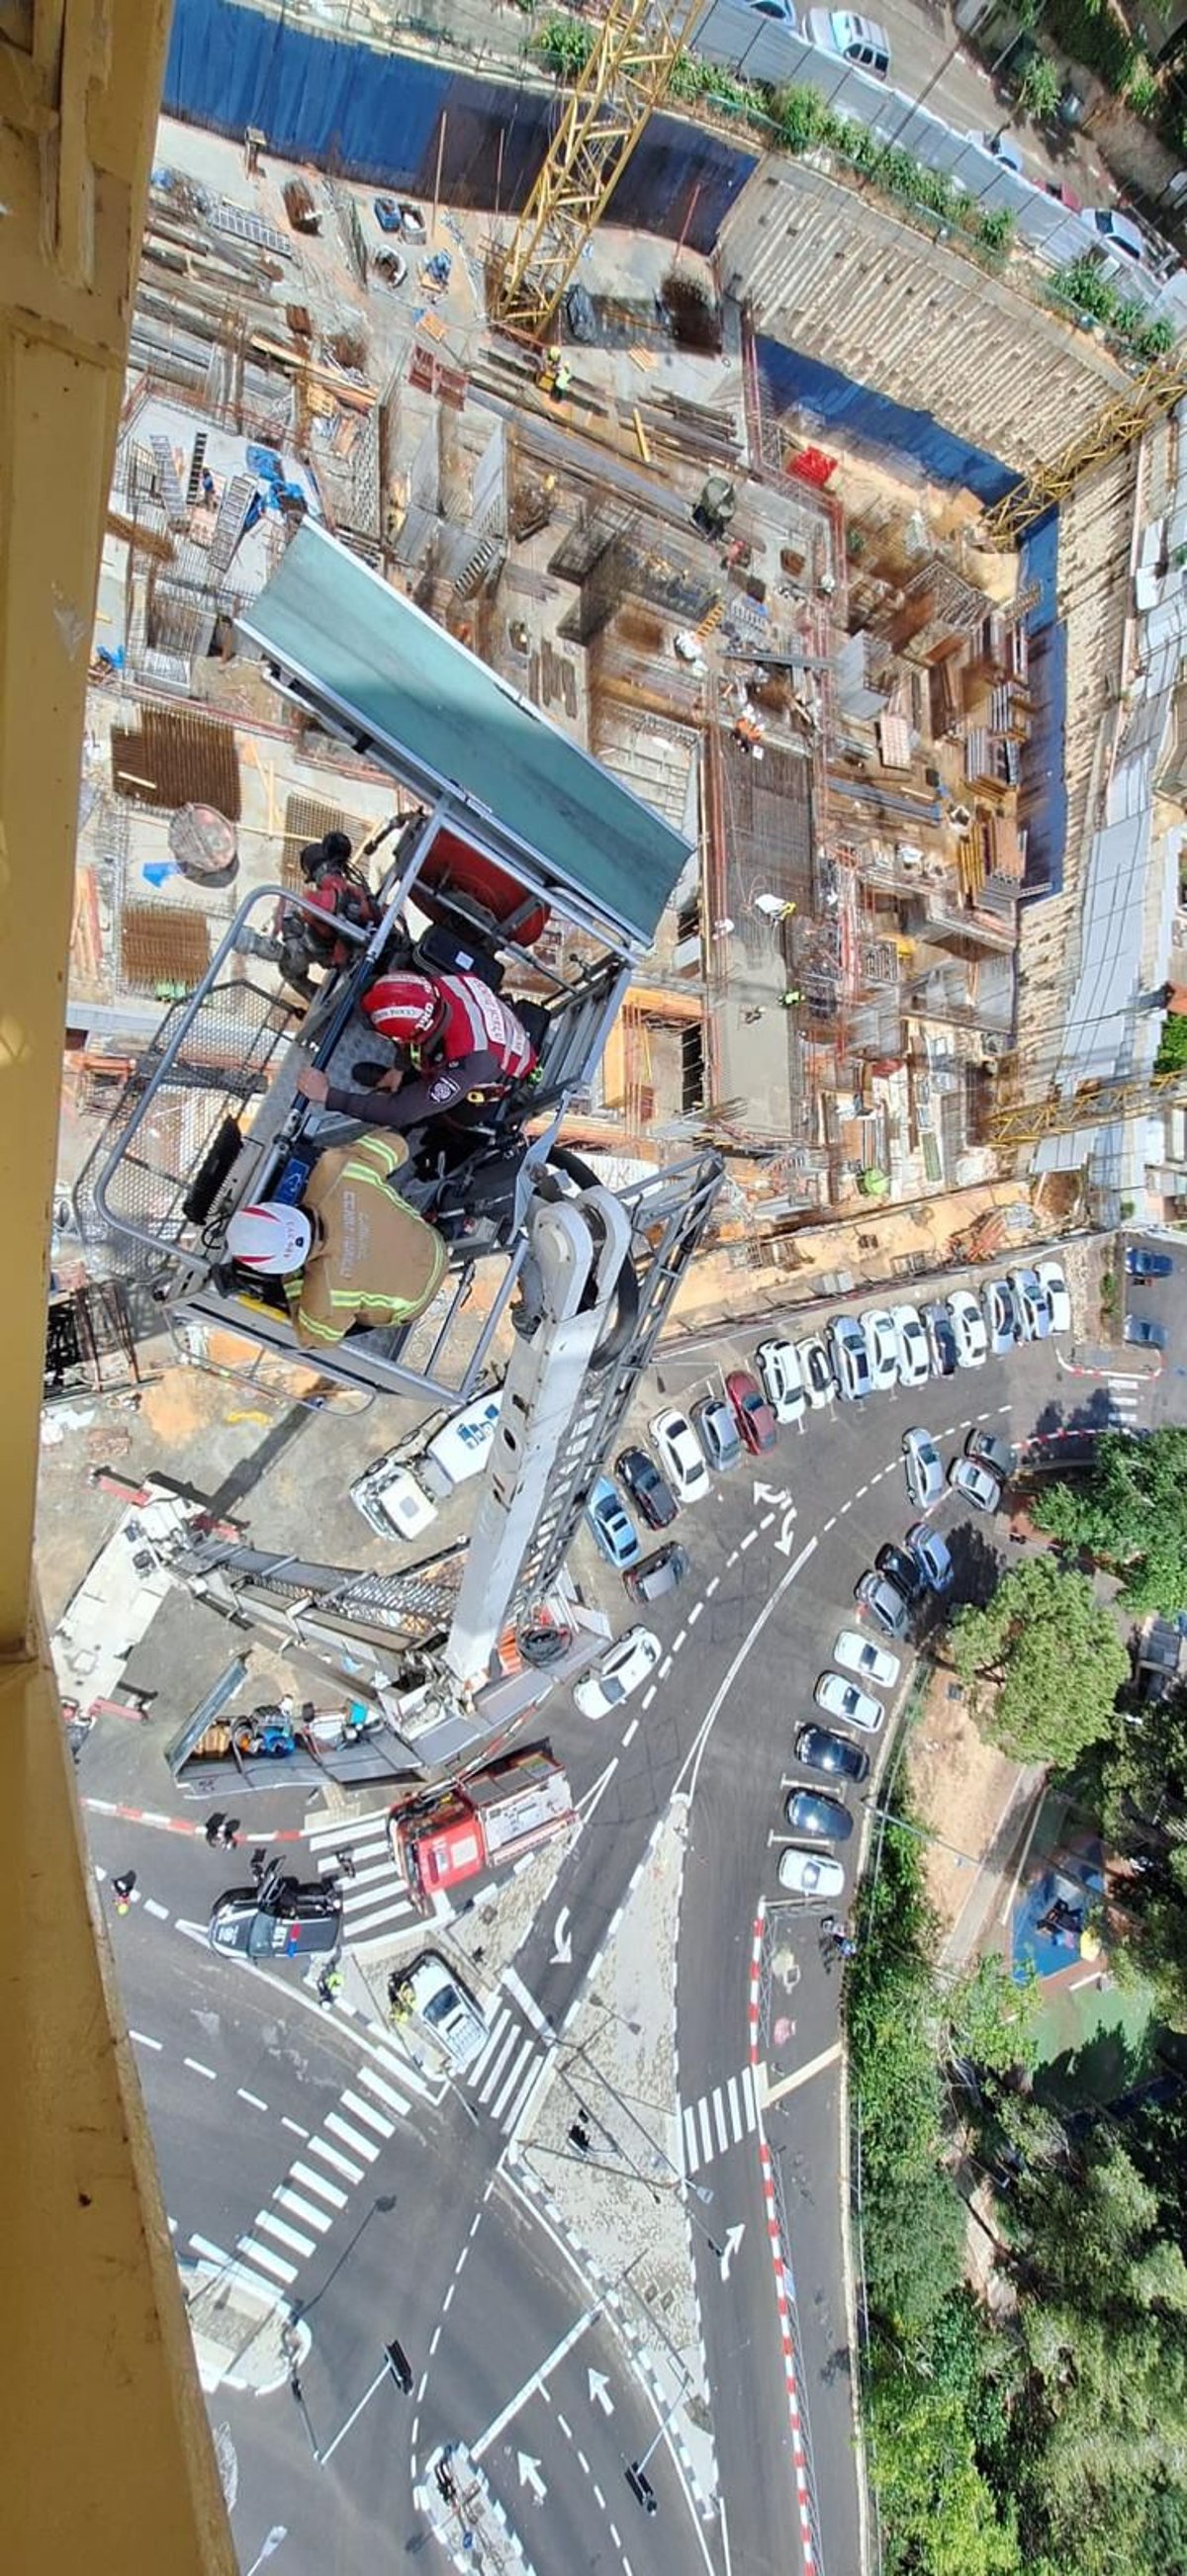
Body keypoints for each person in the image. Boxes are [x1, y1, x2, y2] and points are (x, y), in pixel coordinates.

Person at [224, 1128, 447, 1350]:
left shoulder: (325, 1295)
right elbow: (396, 1145)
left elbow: (316, 1339)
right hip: (433, 1246)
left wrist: (292, 1283)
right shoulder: (335, 1169)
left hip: (413, 1303)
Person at [296, 965, 537, 1135]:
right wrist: (401, 1068)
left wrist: (328, 1095)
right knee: (425, 1062)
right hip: (488, 1045)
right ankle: (397, 1078)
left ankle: (434, 1123)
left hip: (480, 1092)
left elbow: (399, 1112)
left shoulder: (468, 1062)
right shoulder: (440, 987)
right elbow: (417, 1036)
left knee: (436, 1115)